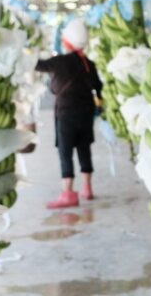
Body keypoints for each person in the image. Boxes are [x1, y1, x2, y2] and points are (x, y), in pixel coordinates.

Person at [36, 19, 103, 209]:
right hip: (86, 113)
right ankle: (87, 189)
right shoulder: (88, 64)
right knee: (84, 149)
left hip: (66, 114)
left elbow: (38, 65)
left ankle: (68, 194)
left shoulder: (60, 62)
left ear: (66, 41)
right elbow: (98, 87)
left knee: (65, 153)